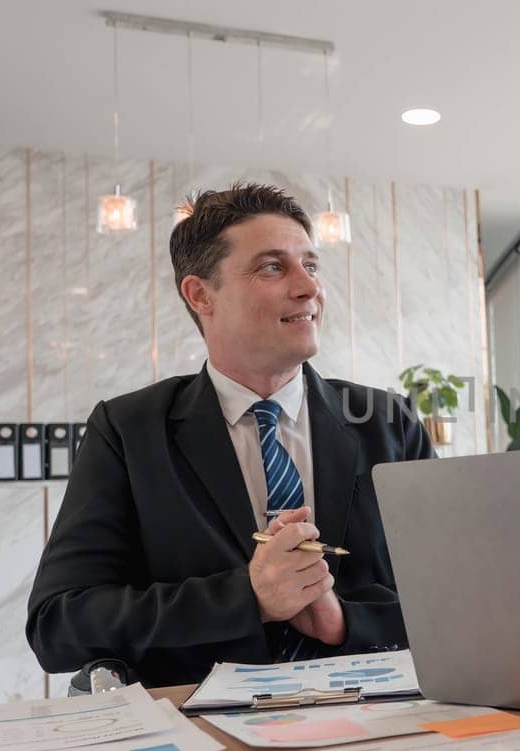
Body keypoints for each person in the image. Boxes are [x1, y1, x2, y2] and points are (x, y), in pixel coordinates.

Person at [27, 183, 434, 687]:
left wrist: (343, 621)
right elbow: (59, 625)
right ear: (201, 294)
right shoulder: (128, 431)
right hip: (202, 736)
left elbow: (453, 598)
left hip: (380, 724)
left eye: (310, 265)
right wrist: (247, 598)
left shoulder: (387, 420)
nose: (308, 287)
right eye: (272, 266)